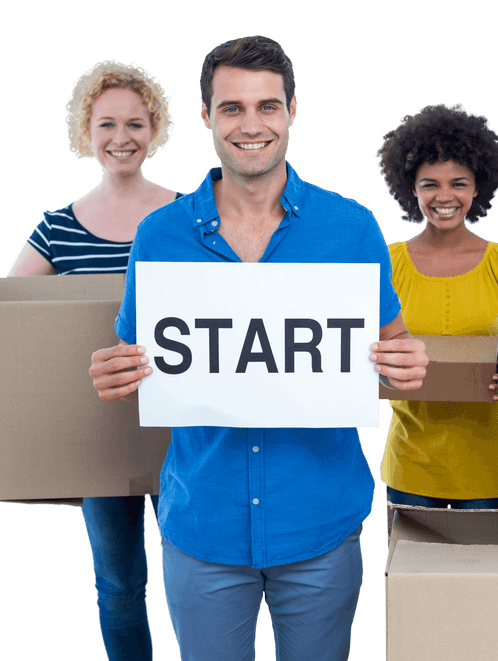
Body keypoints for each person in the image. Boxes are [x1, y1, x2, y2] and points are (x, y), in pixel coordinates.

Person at [87, 36, 427, 660]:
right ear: (205, 117)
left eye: (267, 107)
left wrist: (406, 362)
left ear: (292, 111)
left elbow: (390, 345)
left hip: (320, 525)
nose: (251, 125)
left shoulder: (350, 228)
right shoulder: (160, 235)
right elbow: (136, 354)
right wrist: (117, 369)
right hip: (202, 526)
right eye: (232, 108)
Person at [7, 59, 177, 661]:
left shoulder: (187, 217)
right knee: (119, 585)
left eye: (135, 122)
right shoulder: (57, 228)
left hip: (185, 430)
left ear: (154, 128)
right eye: (107, 123)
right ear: (86, 129)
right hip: (101, 435)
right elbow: (14, 320)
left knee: (200, 581)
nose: (122, 137)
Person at [375, 103, 498, 509]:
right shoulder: (386, 264)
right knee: (409, 574)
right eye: (430, 184)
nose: (445, 197)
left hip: (486, 470)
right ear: (412, 188)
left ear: (478, 187)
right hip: (411, 465)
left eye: (458, 183)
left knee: (481, 574)